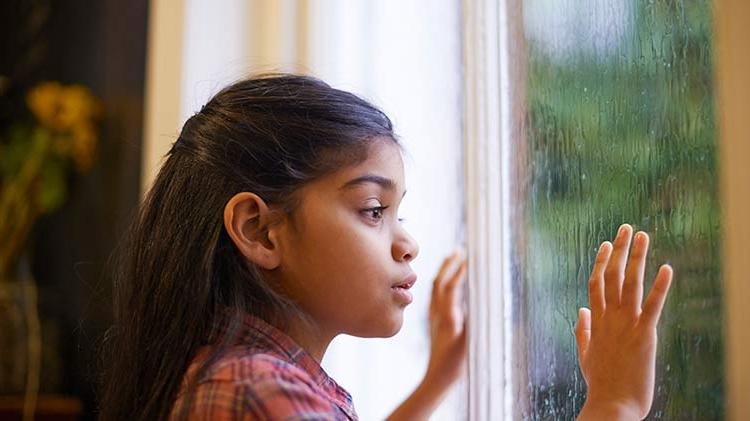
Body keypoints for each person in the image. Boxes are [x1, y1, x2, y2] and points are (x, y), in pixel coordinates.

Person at [99, 74, 673, 421]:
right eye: (374, 211)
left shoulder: (233, 375)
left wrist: (436, 382)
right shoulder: (257, 390)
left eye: (400, 213)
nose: (408, 243)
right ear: (260, 230)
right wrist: (613, 406)